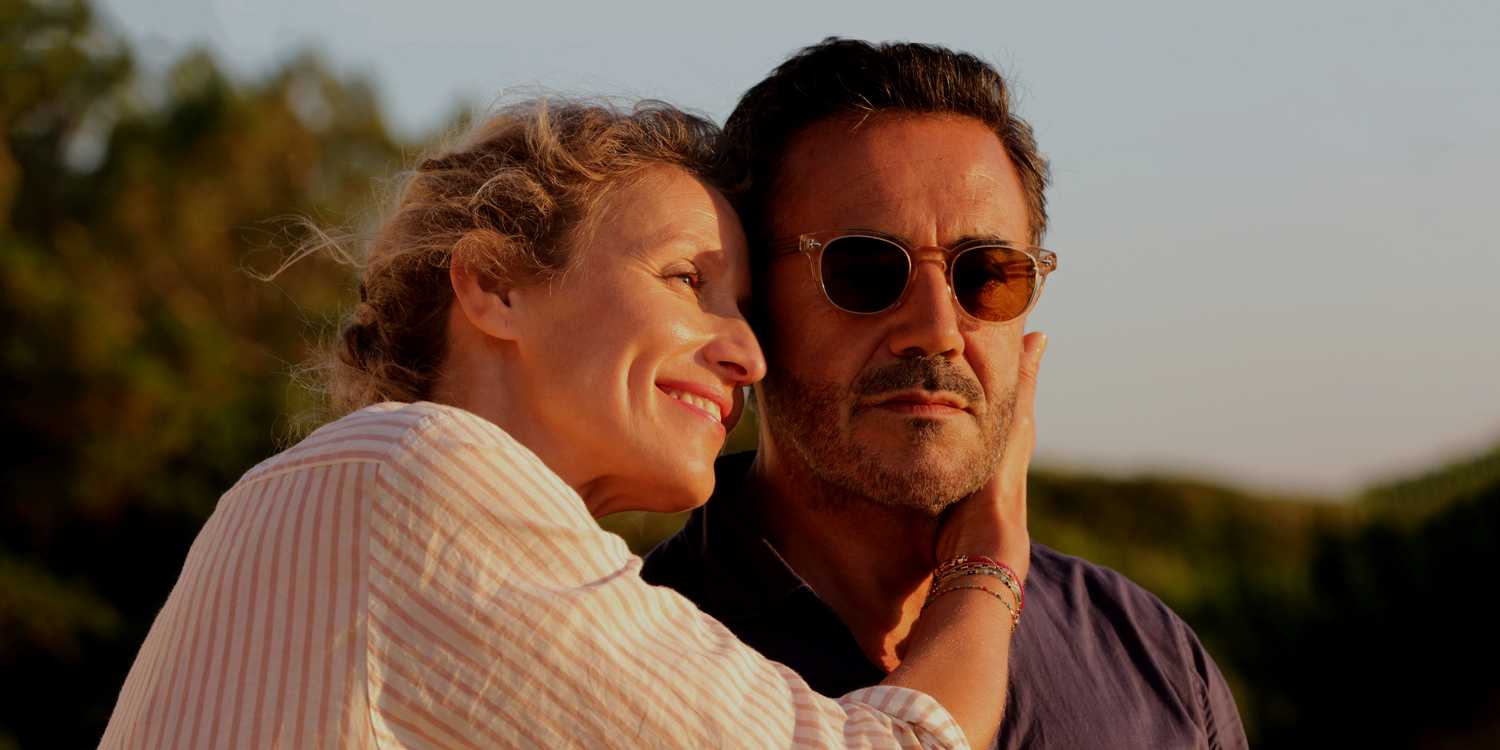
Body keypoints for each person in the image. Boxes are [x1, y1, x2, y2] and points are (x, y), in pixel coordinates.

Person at [98, 99, 1041, 749]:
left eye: (747, 309)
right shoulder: (419, 475)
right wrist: (990, 558)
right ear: (494, 284)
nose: (748, 355)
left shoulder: (355, 495)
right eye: (689, 280)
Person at [642, 39, 1251, 750]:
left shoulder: (1147, 655)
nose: (937, 332)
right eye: (864, 269)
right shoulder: (635, 654)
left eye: (986, 273)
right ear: (749, 301)